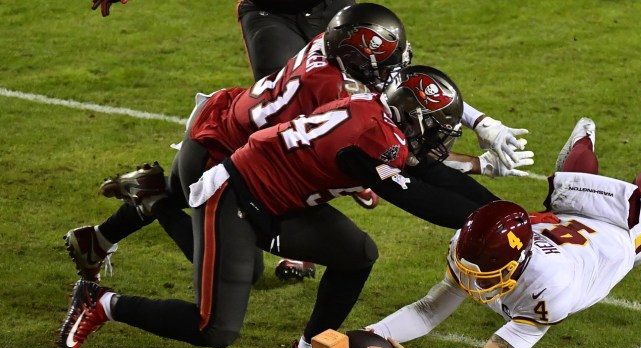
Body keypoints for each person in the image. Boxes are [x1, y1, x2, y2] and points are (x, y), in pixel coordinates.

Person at [56, 66, 511, 348]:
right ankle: (100, 302)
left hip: (283, 198)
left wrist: (510, 213)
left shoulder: (380, 118)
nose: (443, 142)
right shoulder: (376, 139)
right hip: (236, 196)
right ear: (411, 120)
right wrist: (492, 219)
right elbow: (423, 199)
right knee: (214, 328)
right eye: (438, 130)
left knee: (356, 253)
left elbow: (435, 177)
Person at [70, 3, 532, 283]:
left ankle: (106, 233)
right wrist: (478, 167)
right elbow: (404, 158)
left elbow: (407, 94)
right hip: (227, 151)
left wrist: (480, 121)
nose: (395, 74)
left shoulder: (331, 47)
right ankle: (153, 199)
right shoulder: (337, 95)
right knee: (234, 265)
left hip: (240, 130)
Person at [360, 117, 641, 348]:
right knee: (572, 186)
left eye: (487, 274)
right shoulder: (469, 245)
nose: (475, 281)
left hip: (617, 236)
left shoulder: (551, 288)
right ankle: (582, 141)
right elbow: (429, 309)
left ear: (520, 261)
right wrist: (369, 333)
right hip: (564, 223)